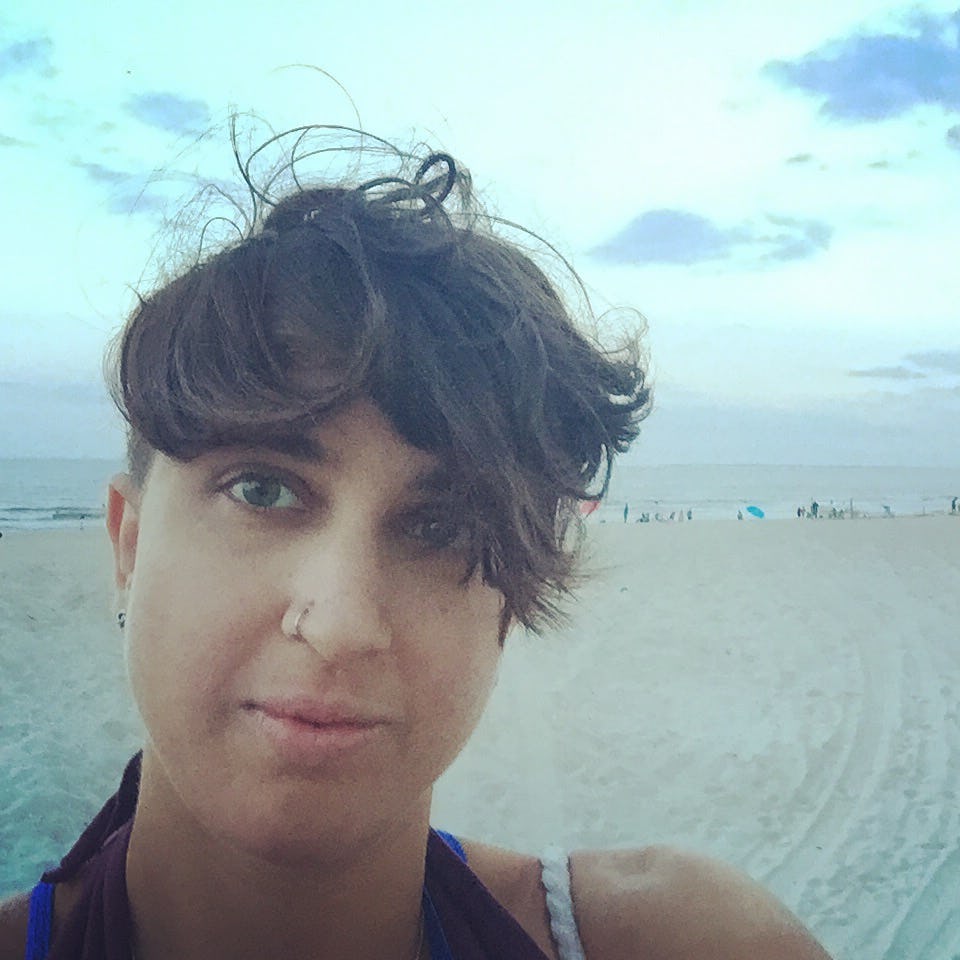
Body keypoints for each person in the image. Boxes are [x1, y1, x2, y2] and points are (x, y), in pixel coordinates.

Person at [0, 126, 832, 960]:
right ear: (130, 545)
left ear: (507, 604)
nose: (340, 623)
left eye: (442, 526)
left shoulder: (676, 940)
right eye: (263, 489)